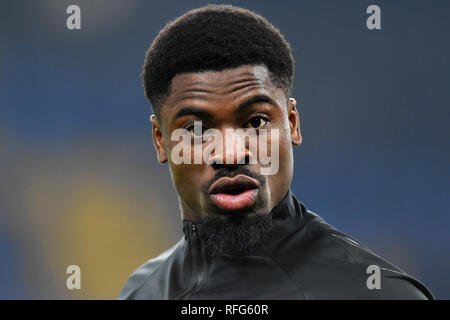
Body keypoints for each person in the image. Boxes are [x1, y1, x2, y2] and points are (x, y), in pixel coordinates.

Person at [118, 5, 433, 299]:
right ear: (161, 141)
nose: (230, 154)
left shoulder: (373, 292)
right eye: (197, 130)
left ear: (293, 125)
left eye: (256, 121)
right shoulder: (141, 291)